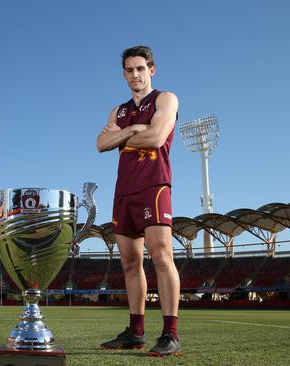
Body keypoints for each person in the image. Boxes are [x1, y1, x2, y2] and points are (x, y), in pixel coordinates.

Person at [96, 45, 181, 357]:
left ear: (151, 70)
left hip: (154, 185)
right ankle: (136, 331)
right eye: (130, 70)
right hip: (124, 190)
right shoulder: (118, 112)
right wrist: (133, 128)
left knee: (161, 256)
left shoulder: (165, 98)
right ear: (124, 74)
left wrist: (121, 136)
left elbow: (157, 137)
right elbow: (100, 143)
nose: (135, 74)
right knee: (130, 262)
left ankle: (170, 333)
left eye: (140, 69)